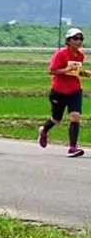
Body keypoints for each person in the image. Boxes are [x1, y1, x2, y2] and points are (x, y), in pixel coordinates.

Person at [40, 28, 86, 157]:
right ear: (68, 41)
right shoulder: (61, 54)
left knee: (75, 117)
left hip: (75, 90)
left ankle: (72, 147)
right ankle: (44, 130)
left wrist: (84, 73)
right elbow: (52, 70)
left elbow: (75, 72)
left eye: (81, 39)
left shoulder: (81, 55)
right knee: (56, 118)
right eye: (75, 38)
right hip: (59, 91)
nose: (78, 41)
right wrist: (66, 69)